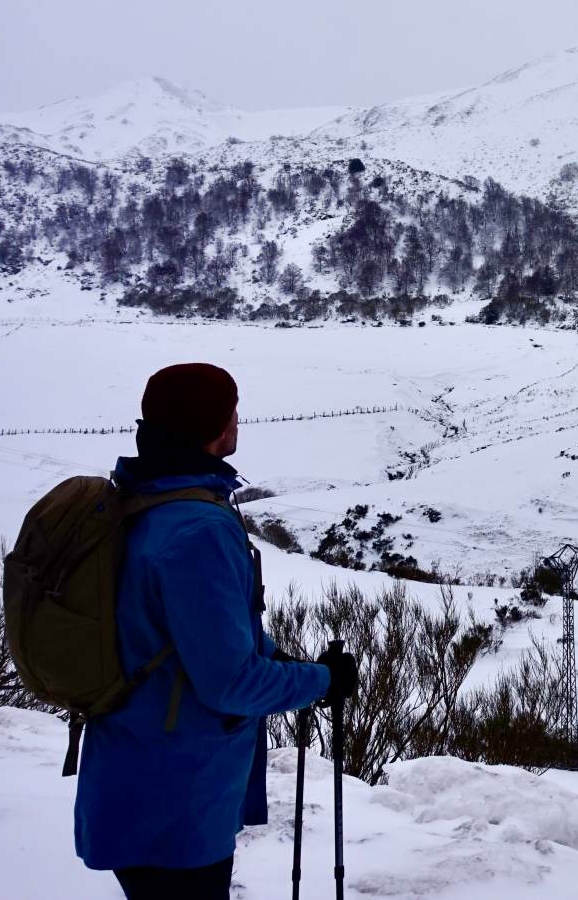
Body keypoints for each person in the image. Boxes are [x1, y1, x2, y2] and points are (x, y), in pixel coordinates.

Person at [74, 362, 359, 899]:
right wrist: (322, 681)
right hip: (175, 796)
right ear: (213, 426)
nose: (237, 421)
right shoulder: (196, 528)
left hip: (135, 771)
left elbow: (180, 635)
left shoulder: (144, 498)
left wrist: (278, 659)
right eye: (231, 411)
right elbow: (230, 683)